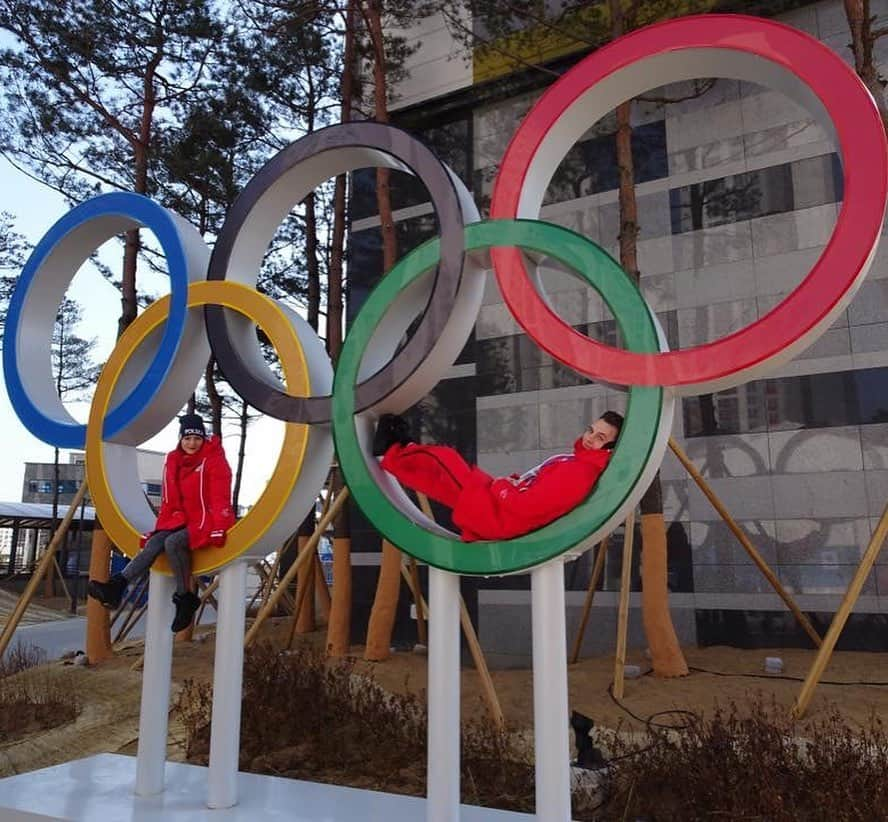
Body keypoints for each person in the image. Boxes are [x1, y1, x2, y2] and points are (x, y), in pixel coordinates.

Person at [373, 410, 623, 541]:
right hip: (500, 510)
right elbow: (535, 491)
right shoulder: (577, 461)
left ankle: (400, 448)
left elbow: (531, 506)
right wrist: (514, 482)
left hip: (499, 516)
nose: (589, 438)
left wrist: (503, 487)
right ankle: (391, 456)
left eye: (600, 438)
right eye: (591, 430)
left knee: (446, 459)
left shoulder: (581, 471)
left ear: (609, 448)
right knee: (441, 485)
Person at [88, 413, 235, 632]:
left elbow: (220, 496)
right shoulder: (173, 461)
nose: (192, 443)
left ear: (203, 439)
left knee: (173, 543)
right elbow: (169, 501)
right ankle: (116, 586)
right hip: (179, 519)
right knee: (155, 543)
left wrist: (220, 526)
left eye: (197, 439)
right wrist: (158, 529)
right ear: (180, 440)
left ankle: (185, 598)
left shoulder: (213, 460)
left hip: (204, 521)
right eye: (187, 439)